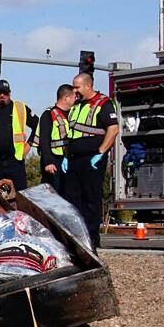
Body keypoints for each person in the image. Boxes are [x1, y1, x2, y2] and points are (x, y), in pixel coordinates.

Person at [63, 73, 119, 250]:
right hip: (73, 159)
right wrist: (65, 157)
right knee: (73, 201)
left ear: (88, 86)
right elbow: (71, 134)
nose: (75, 91)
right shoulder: (76, 106)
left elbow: (113, 129)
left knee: (91, 199)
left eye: (77, 87)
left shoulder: (103, 104)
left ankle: (92, 238)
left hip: (91, 160)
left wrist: (100, 153)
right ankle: (77, 239)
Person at [0, 79, 38, 194]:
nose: (2, 95)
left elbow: (38, 125)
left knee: (20, 196)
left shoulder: (20, 108)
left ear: (9, 93)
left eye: (5, 93)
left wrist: (29, 144)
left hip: (15, 160)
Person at [36, 84, 77, 195]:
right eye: (74, 96)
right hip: (54, 161)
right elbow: (44, 140)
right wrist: (48, 162)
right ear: (66, 97)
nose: (76, 99)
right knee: (53, 194)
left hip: (68, 159)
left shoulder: (73, 114)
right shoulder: (49, 114)